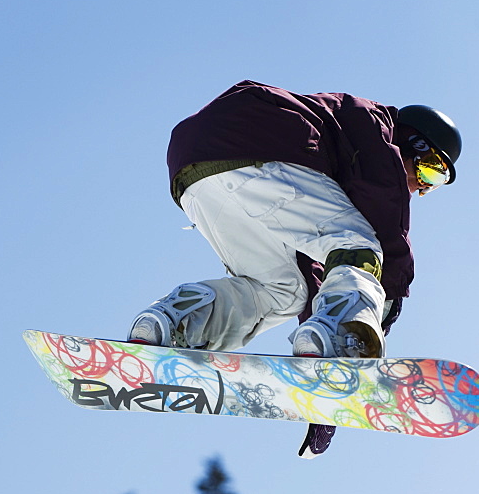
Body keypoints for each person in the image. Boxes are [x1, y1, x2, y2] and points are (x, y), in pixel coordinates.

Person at [128, 80, 462, 456]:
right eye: (431, 170)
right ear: (413, 143)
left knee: (282, 290)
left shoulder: (341, 145)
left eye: (434, 183)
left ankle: (174, 323)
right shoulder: (376, 130)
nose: (421, 186)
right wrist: (387, 301)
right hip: (262, 151)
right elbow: (386, 214)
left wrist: (317, 368)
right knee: (360, 246)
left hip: (195, 170)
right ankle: (341, 338)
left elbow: (311, 267)